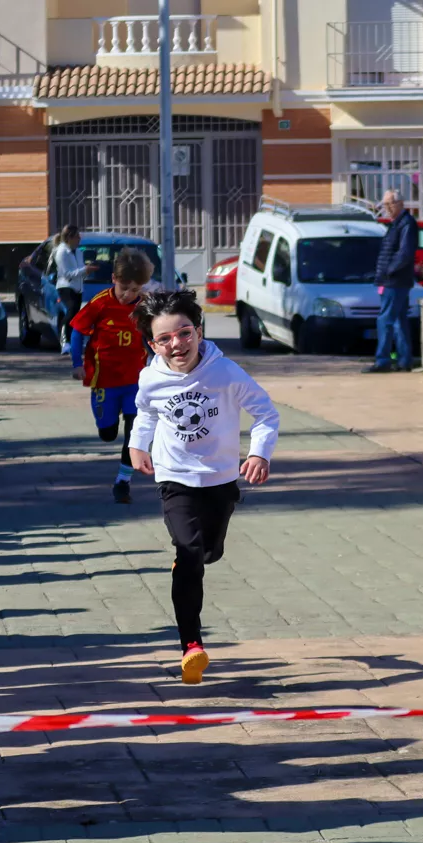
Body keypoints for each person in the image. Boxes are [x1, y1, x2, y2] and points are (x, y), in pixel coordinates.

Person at [127, 289, 279, 685]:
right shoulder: (151, 377)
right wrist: (137, 445)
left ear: (198, 331)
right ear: (152, 344)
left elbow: (265, 413)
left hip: (221, 478)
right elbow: (145, 412)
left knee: (209, 549)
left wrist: (259, 454)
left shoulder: (224, 372)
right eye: (164, 339)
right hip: (174, 478)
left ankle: (201, 552)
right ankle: (191, 646)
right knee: (189, 550)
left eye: (184, 333)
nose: (176, 344)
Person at [71, 248, 154, 503]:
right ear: (114, 280)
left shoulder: (145, 307)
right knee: (107, 432)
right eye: (125, 288)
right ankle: (106, 423)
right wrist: (77, 363)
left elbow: (156, 337)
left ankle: (123, 481)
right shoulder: (100, 303)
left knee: (134, 432)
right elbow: (77, 332)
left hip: (135, 381)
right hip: (104, 380)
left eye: (135, 290)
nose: (129, 295)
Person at [368, 189, 418, 373]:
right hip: (393, 279)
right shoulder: (396, 224)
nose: (386, 208)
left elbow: (404, 253)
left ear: (400, 204)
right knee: (398, 319)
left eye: (389, 203)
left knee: (385, 320)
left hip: (395, 280)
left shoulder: (406, 223)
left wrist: (389, 271)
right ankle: (404, 360)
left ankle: (383, 360)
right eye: (384, 204)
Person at [51, 224, 88, 355]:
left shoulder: (78, 251)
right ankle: (64, 341)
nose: (79, 238)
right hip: (66, 286)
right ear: (69, 237)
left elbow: (80, 270)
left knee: (76, 315)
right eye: (77, 236)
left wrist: (87, 271)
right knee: (71, 311)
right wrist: (85, 270)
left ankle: (73, 341)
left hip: (78, 287)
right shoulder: (61, 252)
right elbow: (66, 274)